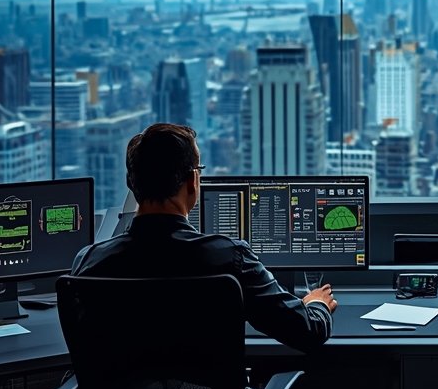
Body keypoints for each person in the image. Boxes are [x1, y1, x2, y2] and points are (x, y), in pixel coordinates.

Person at [71, 122, 337, 351]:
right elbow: (308, 332)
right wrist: (316, 304)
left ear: (131, 183)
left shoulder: (89, 264)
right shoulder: (229, 259)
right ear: (192, 181)